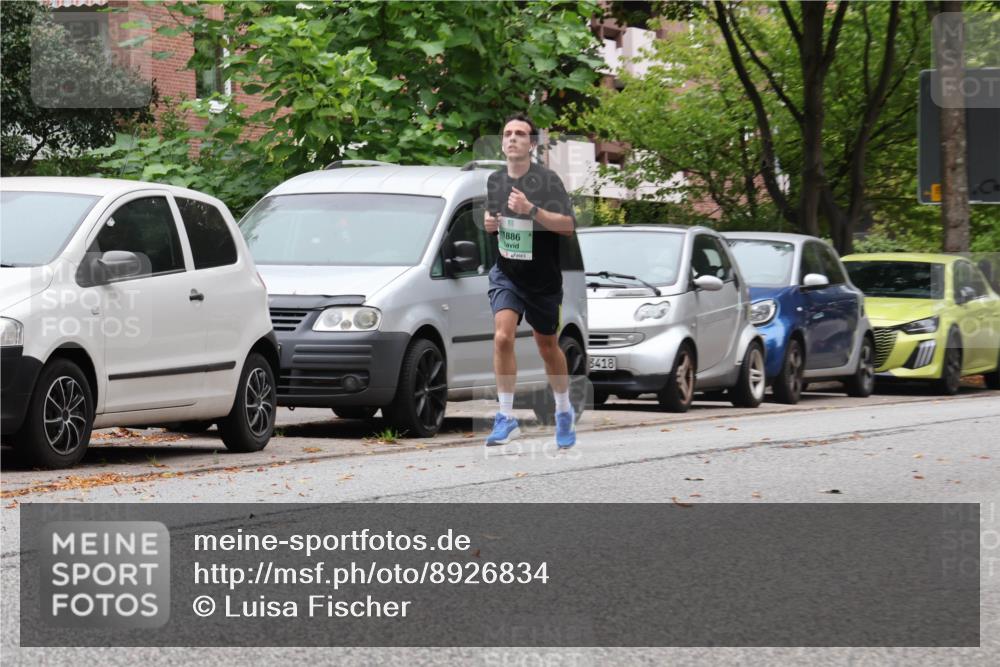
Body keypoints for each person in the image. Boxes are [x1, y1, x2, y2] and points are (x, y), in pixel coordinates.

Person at [483, 113, 577, 448]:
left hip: (543, 280)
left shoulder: (548, 181)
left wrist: (531, 209)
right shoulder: (495, 181)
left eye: (520, 134)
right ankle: (505, 416)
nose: (512, 139)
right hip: (507, 273)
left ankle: (564, 410)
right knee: (502, 337)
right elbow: (493, 219)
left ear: (532, 143)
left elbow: (567, 226)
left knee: (547, 347)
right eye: (507, 133)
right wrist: (490, 224)